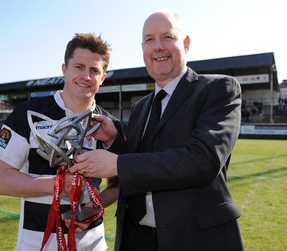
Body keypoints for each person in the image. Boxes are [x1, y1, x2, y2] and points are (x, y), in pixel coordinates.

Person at [70, 10, 244, 251]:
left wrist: (117, 163)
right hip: (136, 239)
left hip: (193, 240)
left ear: (186, 44)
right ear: (143, 49)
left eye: (167, 37)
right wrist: (116, 140)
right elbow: (143, 160)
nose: (158, 47)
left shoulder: (218, 89)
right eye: (150, 40)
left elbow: (203, 160)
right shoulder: (142, 107)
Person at [0, 33, 123, 251]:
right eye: (78, 66)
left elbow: (118, 186)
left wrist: (93, 207)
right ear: (64, 69)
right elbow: (1, 181)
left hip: (93, 244)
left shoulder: (110, 127)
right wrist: (56, 185)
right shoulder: (28, 113)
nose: (86, 76)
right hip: (36, 243)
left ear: (103, 77)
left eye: (94, 70)